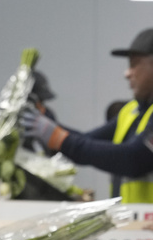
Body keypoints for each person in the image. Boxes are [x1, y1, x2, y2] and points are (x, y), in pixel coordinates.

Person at [22, 28, 153, 203]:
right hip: (134, 222)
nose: (127, 73)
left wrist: (59, 138)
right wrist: (46, 122)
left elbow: (134, 159)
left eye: (134, 64)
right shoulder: (132, 111)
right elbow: (86, 141)